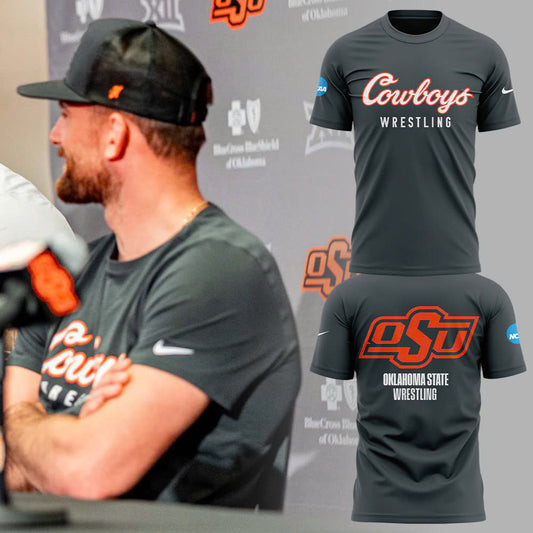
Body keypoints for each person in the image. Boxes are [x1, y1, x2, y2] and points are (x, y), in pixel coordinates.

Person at [3, 18, 301, 508]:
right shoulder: (67, 272)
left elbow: (87, 470)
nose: (55, 136)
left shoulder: (221, 271)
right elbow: (12, 474)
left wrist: (25, 419)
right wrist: (74, 425)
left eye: (67, 115)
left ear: (114, 135)